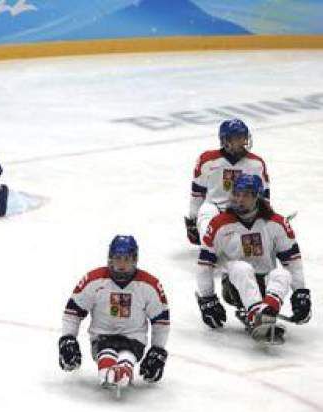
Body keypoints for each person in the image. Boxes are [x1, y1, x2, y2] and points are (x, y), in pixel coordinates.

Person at [195, 174, 311, 344]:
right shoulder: (218, 224)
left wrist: (300, 292)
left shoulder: (276, 223)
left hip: (266, 284)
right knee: (241, 267)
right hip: (234, 287)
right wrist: (207, 298)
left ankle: (266, 310)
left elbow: (292, 261)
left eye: (246, 195)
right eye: (236, 193)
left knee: (282, 274)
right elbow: (205, 264)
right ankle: (257, 313)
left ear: (257, 196)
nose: (239, 199)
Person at [58, 235, 170, 392]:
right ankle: (111, 368)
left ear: (135, 259)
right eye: (118, 259)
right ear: (109, 258)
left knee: (127, 356)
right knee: (106, 355)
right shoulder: (93, 280)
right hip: (102, 337)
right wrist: (68, 338)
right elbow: (73, 312)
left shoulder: (150, 285)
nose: (122, 265)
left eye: (127, 259)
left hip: (134, 339)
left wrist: (158, 348)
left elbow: (160, 321)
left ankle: (125, 366)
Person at [185, 119, 270, 245]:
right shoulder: (207, 160)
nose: (243, 141)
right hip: (214, 207)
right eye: (238, 138)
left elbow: (263, 195)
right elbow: (197, 192)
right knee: (206, 215)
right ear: (226, 141)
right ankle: (209, 246)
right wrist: (193, 219)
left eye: (244, 137)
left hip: (242, 208)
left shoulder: (256, 163)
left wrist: (267, 217)